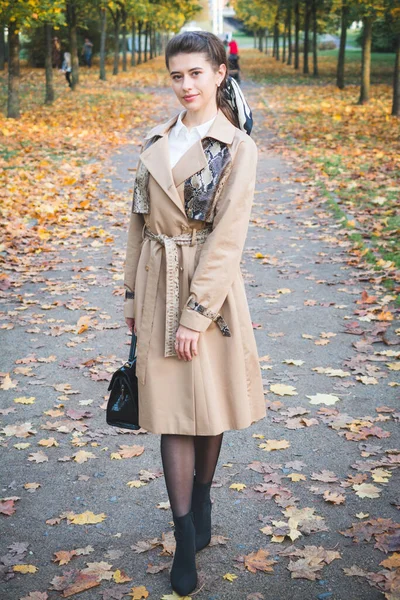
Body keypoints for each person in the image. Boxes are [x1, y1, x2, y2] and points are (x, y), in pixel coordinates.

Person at [123, 31, 265, 596]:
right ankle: (184, 534)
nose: (186, 85)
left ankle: (202, 497)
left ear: (219, 75)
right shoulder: (156, 139)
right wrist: (132, 298)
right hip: (157, 283)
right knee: (171, 413)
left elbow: (228, 239)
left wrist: (194, 316)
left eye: (196, 74)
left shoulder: (236, 147)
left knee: (207, 407)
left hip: (211, 290)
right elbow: (137, 225)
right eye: (177, 75)